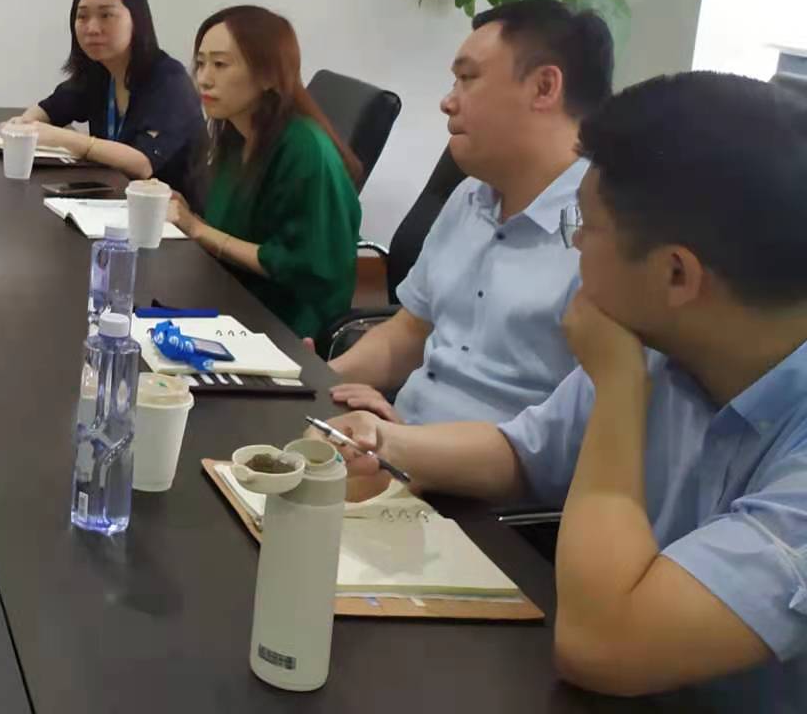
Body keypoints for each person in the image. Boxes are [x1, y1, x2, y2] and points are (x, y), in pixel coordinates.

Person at [324, 73, 807, 706]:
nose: (574, 242)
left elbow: (603, 646)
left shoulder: (632, 363)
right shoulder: (665, 344)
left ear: (676, 275)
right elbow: (523, 452)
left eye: (587, 225)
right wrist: (387, 445)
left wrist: (619, 391)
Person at [330, 0, 614, 424]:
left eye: (467, 78)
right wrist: (310, 380)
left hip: (474, 464)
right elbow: (408, 334)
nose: (447, 102)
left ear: (544, 88)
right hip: (396, 442)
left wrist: (404, 446)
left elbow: (576, 437)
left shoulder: (606, 236)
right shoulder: (469, 195)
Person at [163, 5, 361, 343]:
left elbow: (302, 264)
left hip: (288, 327)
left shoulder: (304, 149)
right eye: (201, 63)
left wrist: (198, 229)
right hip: (234, 295)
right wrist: (190, 217)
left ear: (269, 75)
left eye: (220, 65)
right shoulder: (235, 134)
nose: (204, 78)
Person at [7, 0, 204, 185]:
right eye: (82, 17)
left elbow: (142, 163)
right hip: (112, 195)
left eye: (106, 15)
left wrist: (64, 139)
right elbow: (50, 109)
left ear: (137, 20)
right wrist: (25, 124)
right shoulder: (99, 72)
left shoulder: (169, 81)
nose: (92, 28)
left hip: (169, 203)